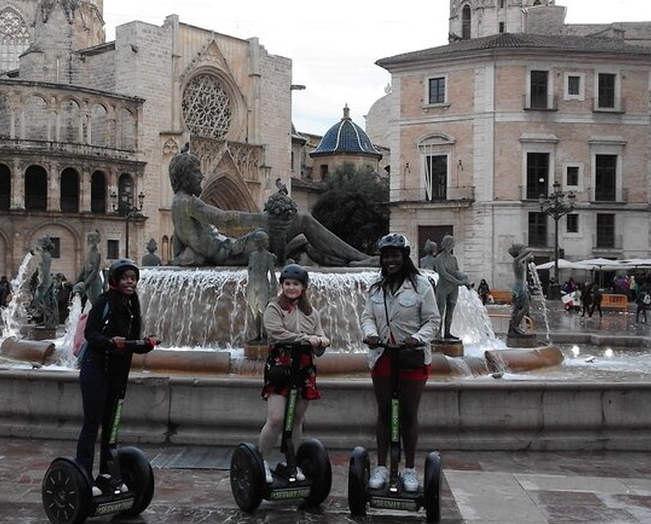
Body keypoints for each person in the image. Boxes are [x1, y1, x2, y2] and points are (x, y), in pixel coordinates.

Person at [168, 148, 374, 266]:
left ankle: (345, 262)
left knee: (302, 238)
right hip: (235, 252)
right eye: (196, 172)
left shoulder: (177, 204)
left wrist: (181, 260)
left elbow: (179, 244)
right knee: (302, 220)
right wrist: (264, 218)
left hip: (233, 250)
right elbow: (225, 219)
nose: (202, 176)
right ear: (185, 176)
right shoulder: (189, 203)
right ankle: (360, 259)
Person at [360, 233, 440, 493]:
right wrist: (371, 334)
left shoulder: (420, 285)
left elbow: (432, 321)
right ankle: (381, 467)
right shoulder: (375, 287)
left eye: (395, 255)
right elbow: (367, 316)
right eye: (386, 256)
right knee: (383, 411)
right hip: (382, 355)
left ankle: (409, 469)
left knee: (408, 413)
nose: (390, 260)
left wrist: (417, 338)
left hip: (411, 356)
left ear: (404, 257)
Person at [75, 258, 155, 495]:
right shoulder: (103, 302)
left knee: (112, 427)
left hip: (118, 373)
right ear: (115, 280)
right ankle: (84, 475)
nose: (130, 282)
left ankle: (107, 474)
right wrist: (111, 342)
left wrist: (147, 344)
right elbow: (91, 334)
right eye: (125, 278)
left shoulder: (133, 305)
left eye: (133, 278)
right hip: (96, 369)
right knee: (92, 424)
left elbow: (131, 343)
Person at [257, 264, 330, 484]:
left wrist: (322, 342)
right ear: (282, 286)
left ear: (303, 287)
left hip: (304, 367)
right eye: (287, 284)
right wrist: (306, 339)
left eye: (295, 284)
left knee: (297, 418)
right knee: (277, 418)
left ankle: (292, 462)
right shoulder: (274, 308)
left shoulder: (312, 312)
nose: (291, 288)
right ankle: (261, 462)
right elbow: (276, 332)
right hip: (281, 365)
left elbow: (320, 337)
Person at [432, 235, 469, 340]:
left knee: (450, 311)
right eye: (450, 243)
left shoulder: (453, 258)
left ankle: (447, 332)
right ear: (445, 244)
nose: (451, 246)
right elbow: (443, 273)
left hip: (453, 288)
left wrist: (464, 277)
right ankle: (438, 333)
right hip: (442, 288)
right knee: (440, 310)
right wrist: (457, 282)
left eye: (452, 244)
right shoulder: (438, 258)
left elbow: (456, 271)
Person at [245, 230, 277, 342]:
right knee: (255, 312)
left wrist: (274, 292)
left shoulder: (269, 257)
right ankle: (258, 335)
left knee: (264, 311)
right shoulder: (252, 256)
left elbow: (272, 275)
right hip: (253, 285)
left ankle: (265, 336)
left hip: (263, 285)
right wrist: (248, 287)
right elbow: (249, 270)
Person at [73, 230, 104, 310]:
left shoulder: (97, 254)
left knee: (96, 304)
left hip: (94, 283)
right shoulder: (89, 253)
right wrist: (77, 281)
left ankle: (99, 320)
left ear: (97, 240)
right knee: (92, 303)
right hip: (88, 282)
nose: (91, 240)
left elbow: (94, 271)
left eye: (93, 238)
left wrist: (85, 284)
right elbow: (84, 269)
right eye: (89, 238)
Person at [507, 243, 533, 335]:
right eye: (521, 249)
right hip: (519, 288)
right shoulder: (516, 261)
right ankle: (515, 325)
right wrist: (524, 251)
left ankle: (513, 327)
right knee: (525, 307)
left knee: (518, 308)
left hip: (520, 287)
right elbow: (528, 251)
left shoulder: (519, 262)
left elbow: (527, 254)